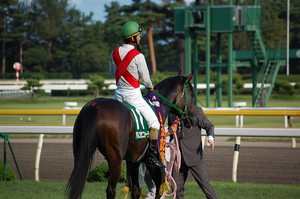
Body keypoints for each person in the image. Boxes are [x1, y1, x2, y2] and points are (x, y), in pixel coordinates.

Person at [109, 21, 164, 168]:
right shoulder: (138, 55)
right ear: (133, 38)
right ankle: (152, 156)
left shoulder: (114, 52)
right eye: (138, 36)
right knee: (154, 122)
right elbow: (146, 79)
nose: (140, 38)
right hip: (133, 97)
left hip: (118, 96)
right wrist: (150, 87)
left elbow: (111, 73)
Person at [168, 106, 218, 199]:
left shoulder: (196, 111)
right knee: (176, 188)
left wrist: (210, 138)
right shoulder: (171, 112)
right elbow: (171, 132)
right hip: (177, 157)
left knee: (205, 185)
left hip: (194, 155)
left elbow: (209, 126)